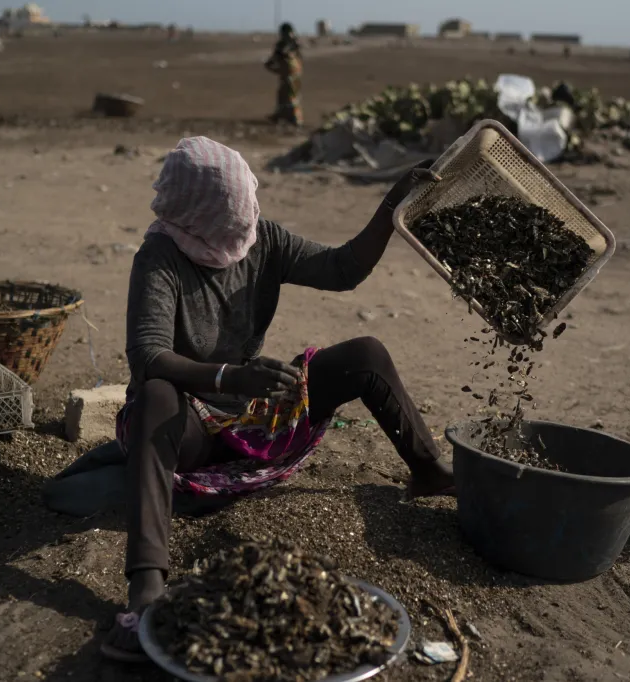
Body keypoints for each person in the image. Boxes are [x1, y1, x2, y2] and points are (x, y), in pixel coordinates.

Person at [100, 136, 454, 661]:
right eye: (232, 220)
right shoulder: (161, 258)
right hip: (185, 427)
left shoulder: (259, 239)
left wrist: (393, 203)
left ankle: (428, 468)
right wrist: (230, 377)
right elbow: (149, 357)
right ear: (196, 212)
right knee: (154, 395)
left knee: (366, 353)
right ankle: (147, 585)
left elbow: (342, 269)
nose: (243, 230)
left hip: (254, 416)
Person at [264, 22, 303, 126]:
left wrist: (270, 65)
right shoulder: (294, 43)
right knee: (286, 95)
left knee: (289, 95)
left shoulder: (283, 45)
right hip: (294, 72)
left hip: (289, 72)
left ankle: (295, 119)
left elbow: (276, 57)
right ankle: (283, 116)